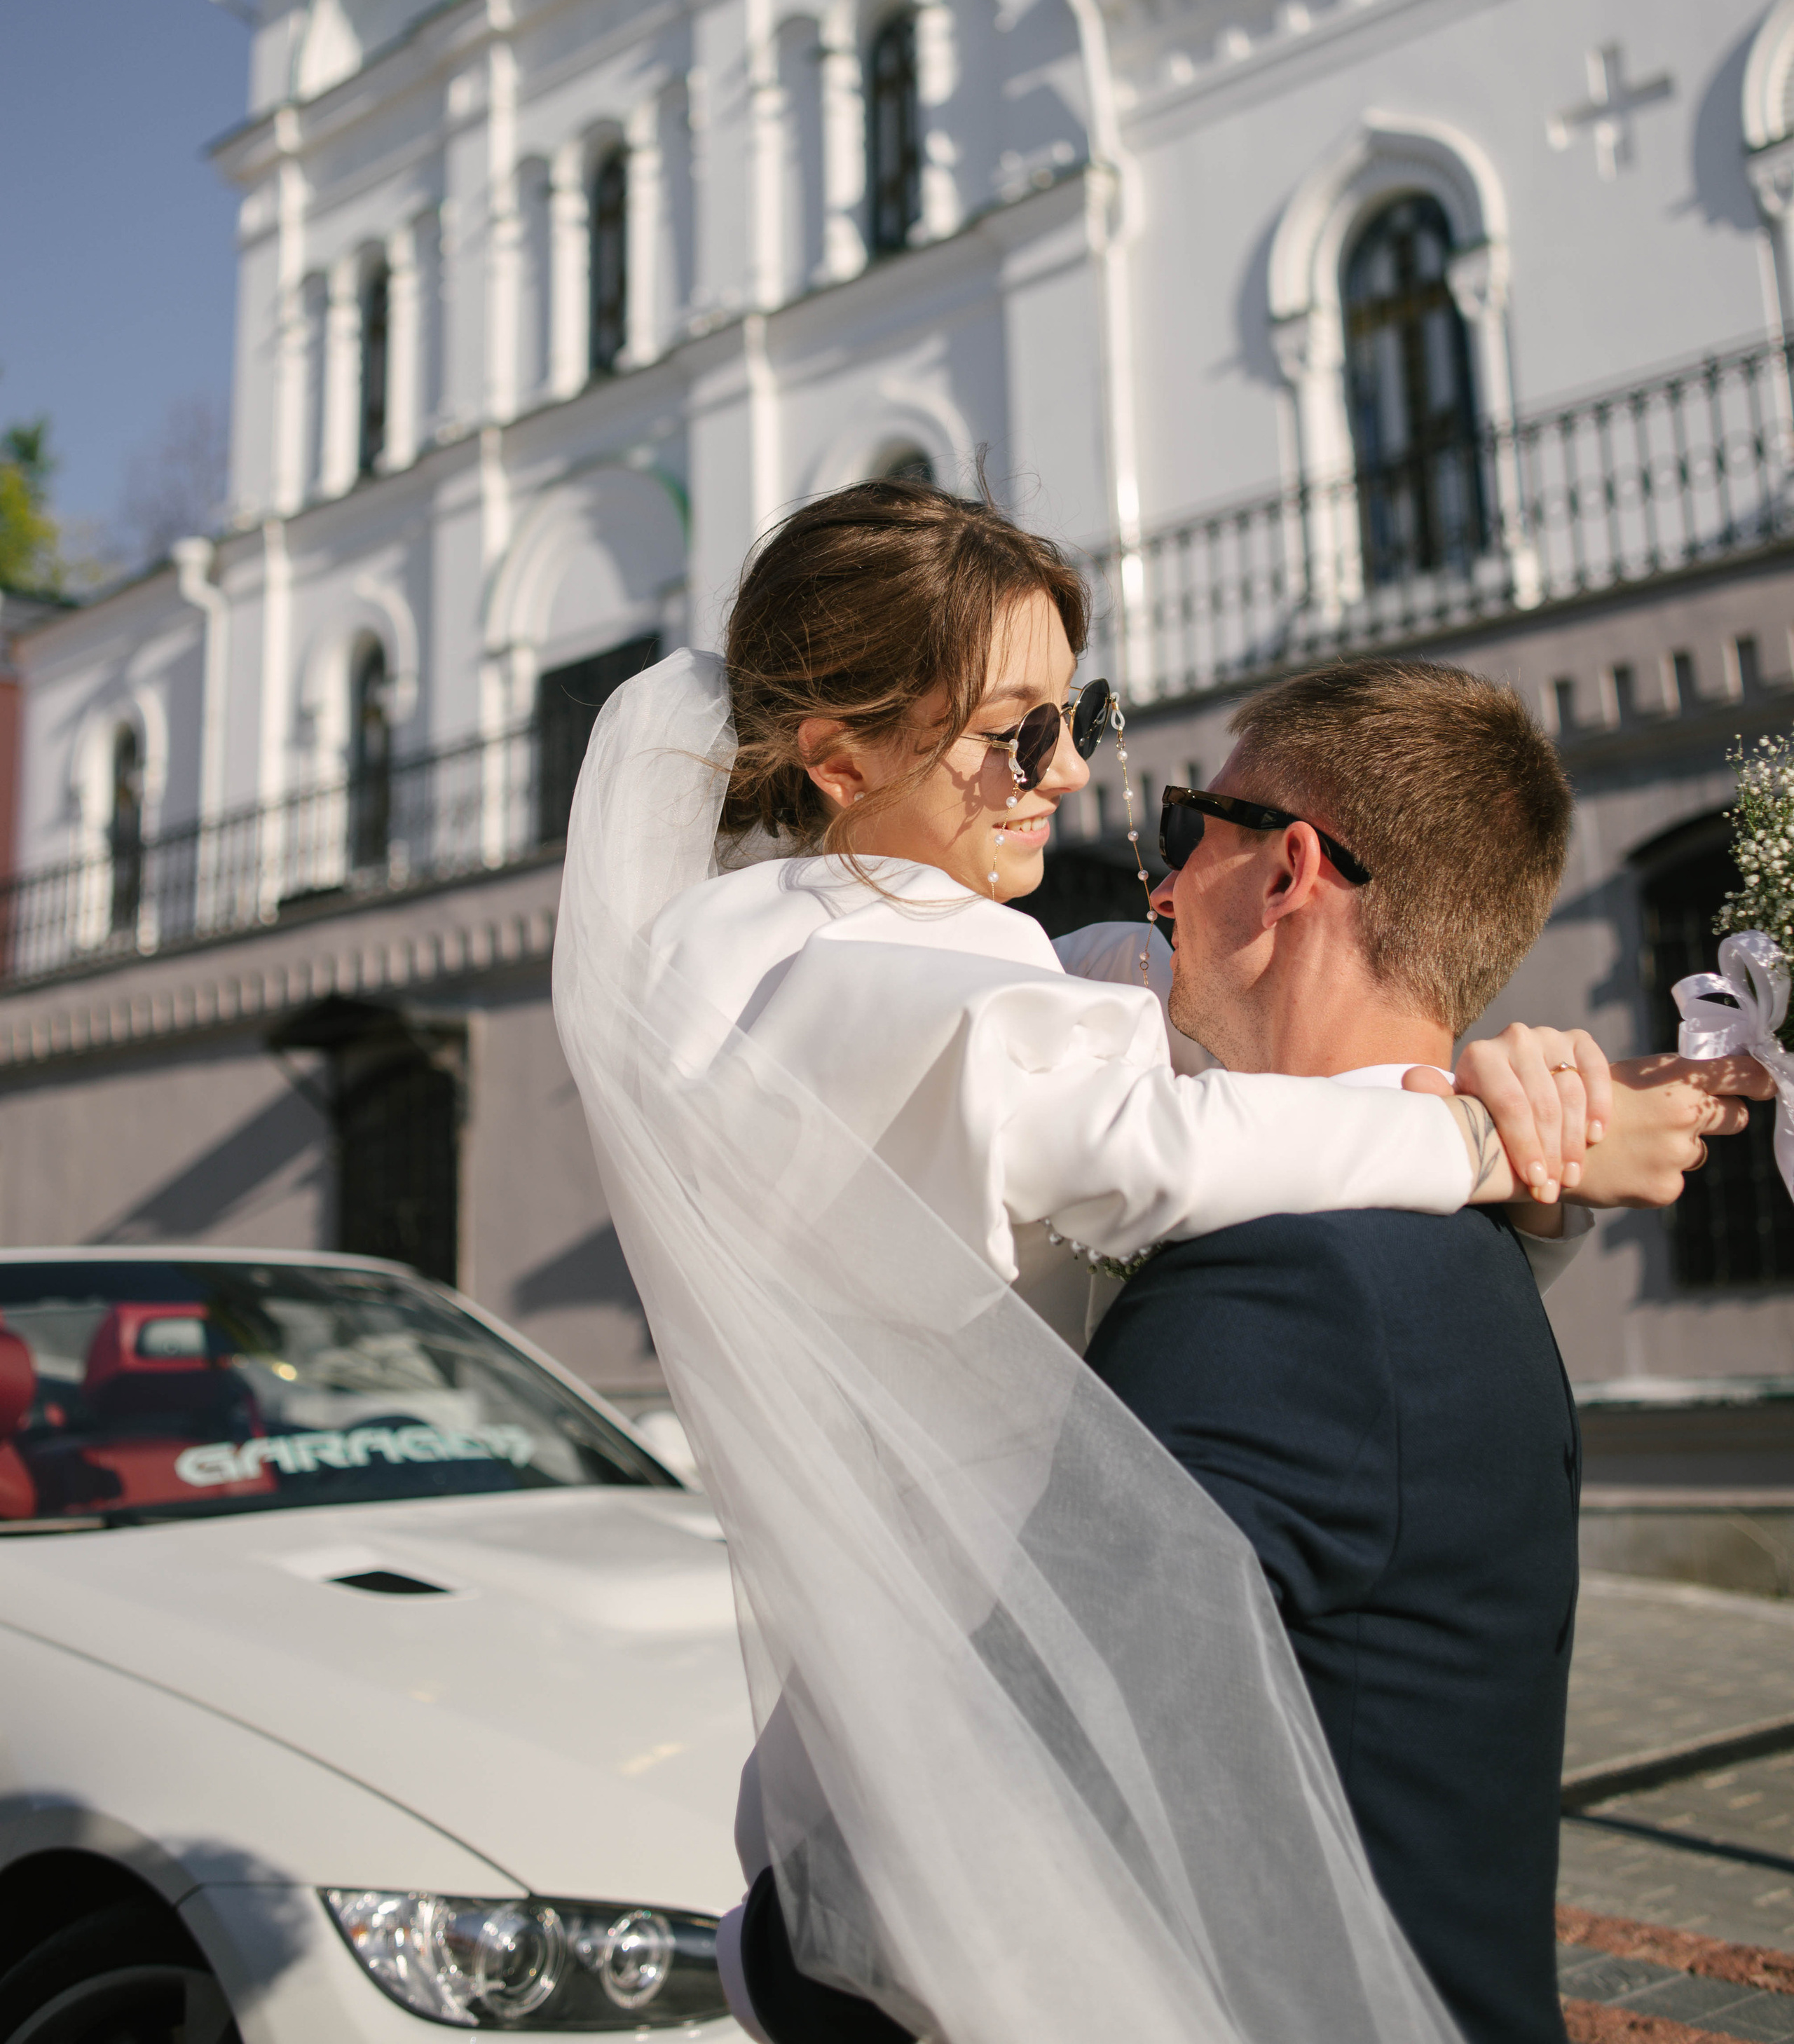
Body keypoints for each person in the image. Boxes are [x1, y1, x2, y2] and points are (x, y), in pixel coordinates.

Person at [550, 479, 1738, 2044]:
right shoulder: (915, 993)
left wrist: (1490, 1108)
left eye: (1079, 714)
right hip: (970, 1613)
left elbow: (1118, 1018)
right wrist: (1501, 1149)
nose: (1073, 774)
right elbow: (1154, 1135)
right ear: (840, 758)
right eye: (1015, 734)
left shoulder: (784, 951)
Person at [1085, 657, 1753, 2044]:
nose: (1153, 889)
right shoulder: (1473, 1235)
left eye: (1177, 829)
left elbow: (1054, 1759)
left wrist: (781, 1956)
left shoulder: (1294, 1282)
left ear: (1285, 873)